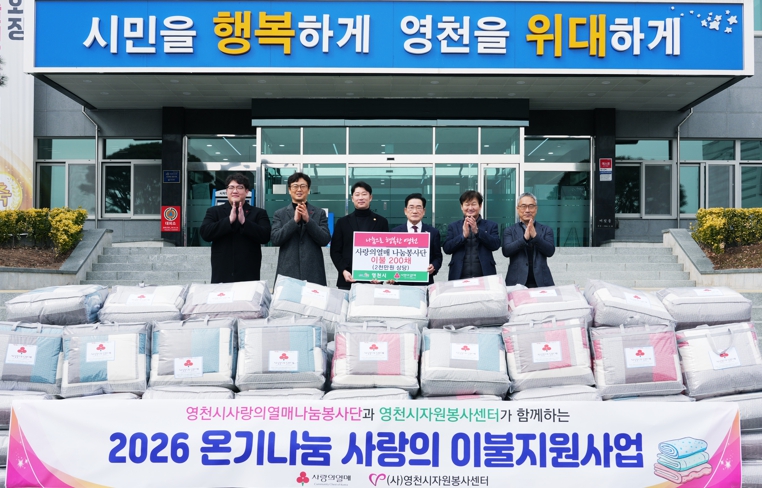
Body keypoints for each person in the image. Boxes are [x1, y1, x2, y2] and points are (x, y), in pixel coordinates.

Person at [199, 174, 271, 283]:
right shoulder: (214, 211)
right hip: (222, 273)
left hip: (248, 273)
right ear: (226, 191)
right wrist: (228, 220)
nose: (235, 191)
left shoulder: (259, 213)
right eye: (231, 187)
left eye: (240, 187)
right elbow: (205, 233)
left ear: (247, 191)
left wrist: (245, 222)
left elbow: (265, 236)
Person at [270, 172, 332, 285]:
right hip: (288, 271)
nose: (299, 189)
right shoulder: (279, 214)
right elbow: (275, 239)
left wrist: (308, 220)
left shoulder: (319, 213)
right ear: (289, 190)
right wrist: (294, 221)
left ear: (308, 190)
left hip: (313, 272)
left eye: (303, 186)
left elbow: (325, 239)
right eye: (295, 186)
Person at [330, 181, 389, 290]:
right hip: (348, 278)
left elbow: (386, 250)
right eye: (357, 195)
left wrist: (380, 275)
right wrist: (343, 270)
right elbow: (335, 251)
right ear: (352, 198)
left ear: (370, 197)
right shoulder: (342, 222)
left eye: (364, 194)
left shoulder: (381, 222)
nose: (361, 198)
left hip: (373, 280)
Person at [442, 190, 501, 281]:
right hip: (459, 276)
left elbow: (495, 245)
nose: (470, 208)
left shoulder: (491, 225)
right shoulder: (453, 226)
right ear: (461, 206)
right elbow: (447, 248)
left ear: (480, 206)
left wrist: (477, 232)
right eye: (467, 204)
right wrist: (463, 236)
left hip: (485, 276)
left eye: (473, 204)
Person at [502, 192, 556, 288]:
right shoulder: (509, 230)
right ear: (517, 209)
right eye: (523, 206)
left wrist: (535, 236)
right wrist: (524, 239)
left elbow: (550, 251)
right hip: (516, 281)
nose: (527, 210)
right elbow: (506, 251)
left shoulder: (546, 230)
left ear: (536, 209)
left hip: (542, 281)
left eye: (531, 206)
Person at [390, 193, 442, 285]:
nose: (415, 211)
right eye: (411, 207)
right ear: (405, 211)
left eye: (418, 207)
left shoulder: (433, 232)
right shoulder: (395, 232)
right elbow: (389, 257)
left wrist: (433, 266)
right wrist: (389, 275)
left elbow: (438, 257)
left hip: (424, 282)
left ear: (424, 211)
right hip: (401, 282)